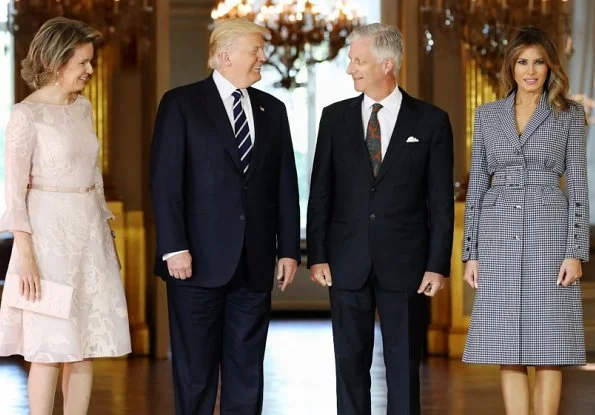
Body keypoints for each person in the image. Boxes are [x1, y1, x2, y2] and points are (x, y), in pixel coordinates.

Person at [150, 18, 301, 415]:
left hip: (253, 265)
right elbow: (166, 183)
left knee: (247, 372)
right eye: (256, 50)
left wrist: (288, 250)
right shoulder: (181, 103)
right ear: (225, 55)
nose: (263, 58)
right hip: (193, 264)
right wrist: (173, 247)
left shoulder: (274, 110)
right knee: (196, 375)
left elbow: (285, 185)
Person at [307, 23, 454, 415]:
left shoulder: (431, 121)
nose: (350, 68)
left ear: (387, 65)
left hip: (406, 265)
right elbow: (321, 192)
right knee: (349, 367)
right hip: (345, 262)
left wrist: (437, 266)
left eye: (358, 60)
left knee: (404, 367)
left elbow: (440, 202)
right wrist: (317, 255)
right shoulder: (334, 118)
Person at [0, 17, 131, 414]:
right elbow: (13, 193)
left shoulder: (83, 107)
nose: (90, 70)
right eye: (83, 63)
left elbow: (93, 176)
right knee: (49, 348)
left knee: (84, 346)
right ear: (58, 62)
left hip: (89, 237)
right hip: (47, 242)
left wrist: (107, 239)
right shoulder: (26, 115)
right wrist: (25, 258)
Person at [462, 26, 589, 415]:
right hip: (497, 233)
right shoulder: (487, 116)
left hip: (550, 235)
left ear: (550, 67)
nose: (530, 71)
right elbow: (477, 185)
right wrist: (472, 252)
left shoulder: (568, 114)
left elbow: (580, 186)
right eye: (522, 62)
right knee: (507, 347)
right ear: (511, 67)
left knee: (549, 348)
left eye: (538, 62)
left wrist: (575, 252)